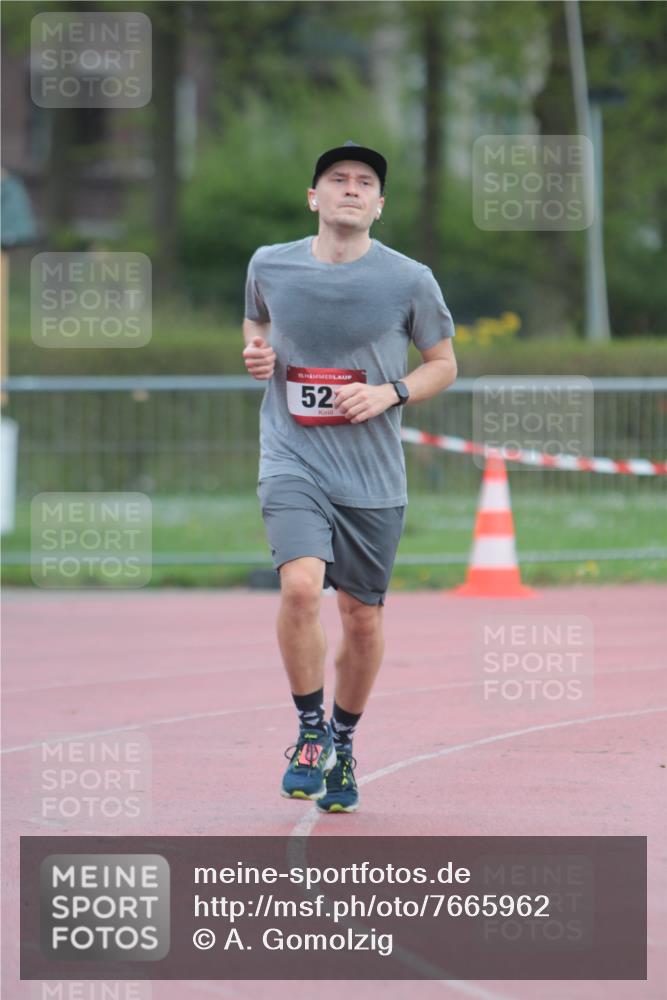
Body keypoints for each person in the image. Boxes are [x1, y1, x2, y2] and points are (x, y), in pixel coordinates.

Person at [242, 140, 456, 813]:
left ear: (379, 205)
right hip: (291, 456)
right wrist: (253, 354)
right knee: (301, 589)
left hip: (369, 475)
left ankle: (343, 742)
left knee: (360, 618)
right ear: (314, 197)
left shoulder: (409, 279)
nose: (351, 189)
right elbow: (255, 328)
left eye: (365, 182)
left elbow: (443, 363)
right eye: (337, 179)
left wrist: (390, 392)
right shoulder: (269, 264)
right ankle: (310, 736)